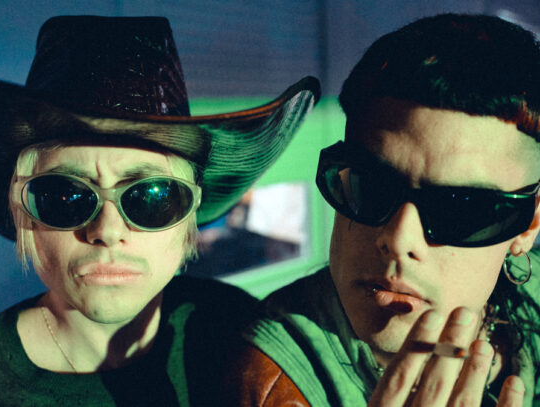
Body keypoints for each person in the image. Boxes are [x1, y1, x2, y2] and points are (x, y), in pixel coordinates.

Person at [0, 16, 319, 406]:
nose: (107, 230)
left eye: (151, 197)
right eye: (65, 195)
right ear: (20, 208)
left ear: (189, 215)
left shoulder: (239, 332)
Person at [222, 13, 540, 407]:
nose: (398, 239)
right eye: (368, 185)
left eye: (461, 209)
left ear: (528, 224)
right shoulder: (268, 381)